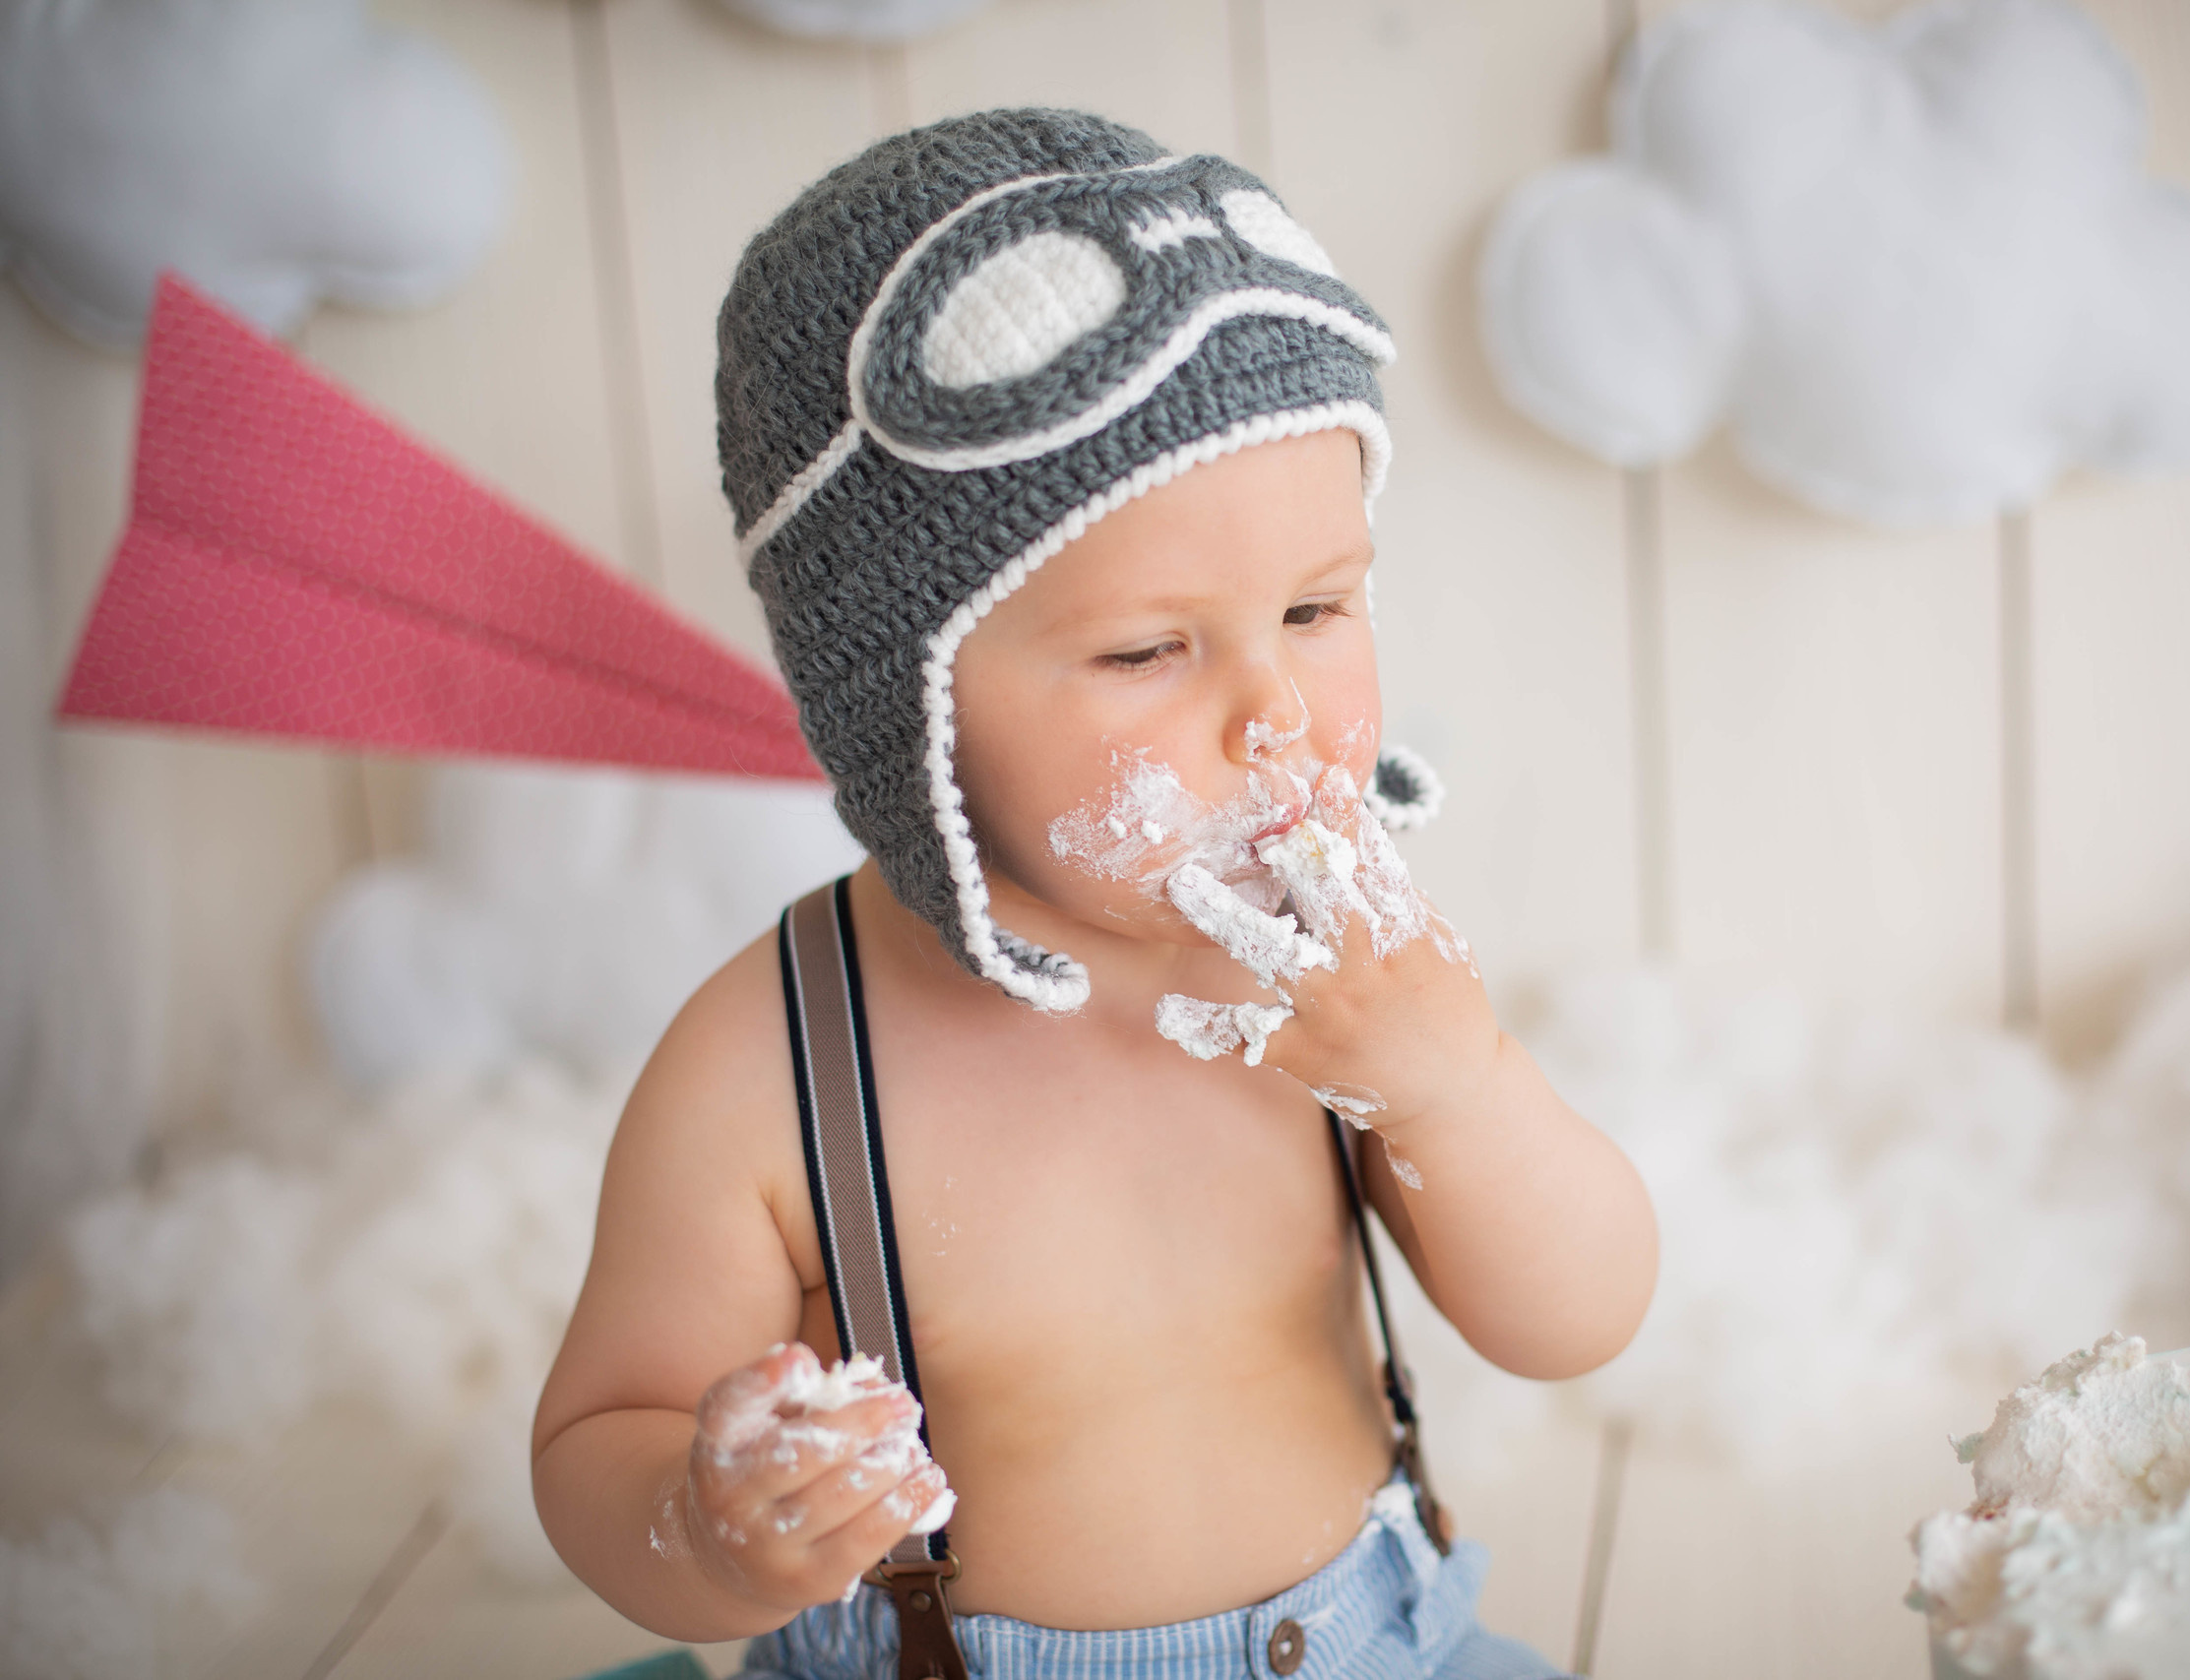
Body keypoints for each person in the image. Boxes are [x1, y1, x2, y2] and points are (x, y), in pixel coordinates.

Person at [532, 108, 1658, 1680]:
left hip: (1375, 1645)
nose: (1274, 712)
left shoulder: (1322, 976)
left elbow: (1576, 1319)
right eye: (1146, 650)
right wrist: (711, 1524)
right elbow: (601, 1437)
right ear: (906, 709)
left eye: (1318, 610)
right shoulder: (771, 1063)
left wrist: (1459, 1091)